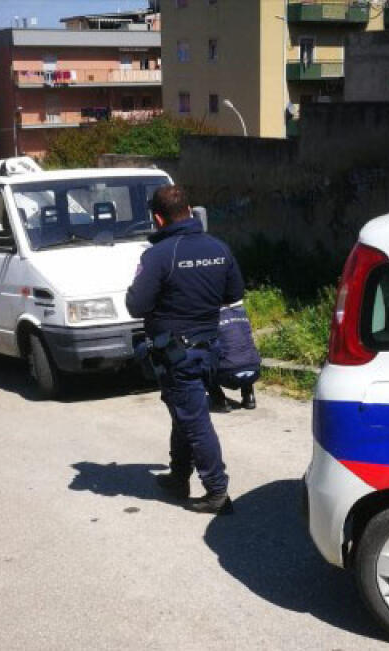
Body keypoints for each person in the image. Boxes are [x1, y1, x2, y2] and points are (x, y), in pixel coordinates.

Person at [126, 185, 244, 514]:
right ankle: (178, 476)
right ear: (190, 211)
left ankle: (217, 491)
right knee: (184, 412)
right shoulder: (219, 248)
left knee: (194, 419)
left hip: (177, 354)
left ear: (158, 218)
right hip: (209, 349)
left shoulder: (158, 256)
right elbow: (233, 293)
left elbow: (137, 305)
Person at [208, 302, 261, 413]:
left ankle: (220, 401)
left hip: (229, 374)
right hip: (255, 371)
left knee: (201, 358)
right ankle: (249, 398)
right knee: (241, 352)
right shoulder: (241, 311)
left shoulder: (210, 316)